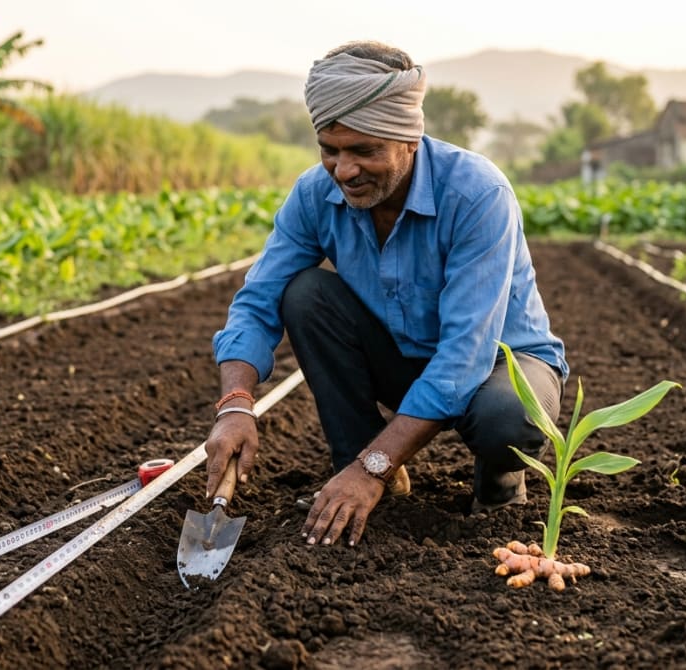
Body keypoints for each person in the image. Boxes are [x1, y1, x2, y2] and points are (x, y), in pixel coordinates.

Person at [205, 40, 567, 549]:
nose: (343, 170)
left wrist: (371, 468)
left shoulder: (478, 194)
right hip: (404, 358)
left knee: (509, 416)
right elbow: (257, 299)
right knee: (305, 293)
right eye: (330, 150)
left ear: (410, 140)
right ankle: (362, 466)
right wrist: (236, 404)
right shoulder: (315, 194)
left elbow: (465, 355)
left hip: (498, 367)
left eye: (364, 151)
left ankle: (499, 486)